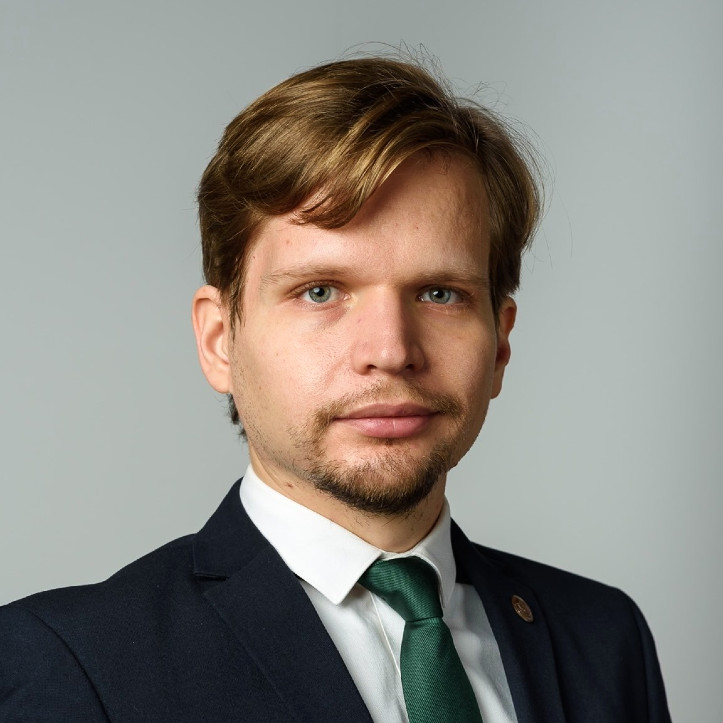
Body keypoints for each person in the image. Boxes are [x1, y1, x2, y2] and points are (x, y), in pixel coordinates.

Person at [0, 57, 671, 722]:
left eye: (440, 294)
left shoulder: (602, 638)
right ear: (219, 340)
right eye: (319, 291)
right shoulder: (71, 663)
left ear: (499, 343)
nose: (390, 351)